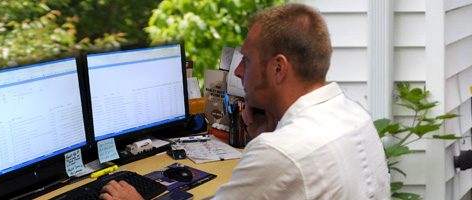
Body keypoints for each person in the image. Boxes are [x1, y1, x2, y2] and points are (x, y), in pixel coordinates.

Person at [99, 3, 391, 200]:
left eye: (247, 61)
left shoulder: (279, 152)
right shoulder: (355, 116)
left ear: (279, 68)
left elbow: (284, 161)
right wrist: (265, 137)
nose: (238, 72)